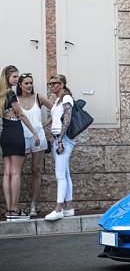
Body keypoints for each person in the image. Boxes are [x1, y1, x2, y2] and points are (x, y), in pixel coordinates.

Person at [1, 65, 41, 221]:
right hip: (15, 130)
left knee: (7, 172)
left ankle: (9, 210)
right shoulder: (10, 93)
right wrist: (35, 133)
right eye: (15, 77)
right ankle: (14, 209)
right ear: (7, 78)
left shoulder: (0, 94)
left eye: (18, 77)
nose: (17, 80)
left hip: (5, 132)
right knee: (15, 172)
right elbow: (22, 115)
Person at [17, 73, 54, 216]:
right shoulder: (15, 99)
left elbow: (56, 110)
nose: (29, 86)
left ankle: (34, 205)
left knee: (36, 170)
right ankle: (17, 205)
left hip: (38, 138)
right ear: (20, 85)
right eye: (26, 83)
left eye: (30, 83)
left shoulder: (38, 98)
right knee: (17, 173)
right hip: (21, 137)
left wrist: (46, 123)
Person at [44, 74, 76, 221]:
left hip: (64, 140)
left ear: (62, 84)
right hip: (59, 138)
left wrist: (61, 140)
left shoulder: (66, 98)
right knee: (66, 173)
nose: (51, 86)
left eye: (55, 83)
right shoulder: (58, 100)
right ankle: (68, 206)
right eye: (50, 84)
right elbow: (55, 118)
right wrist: (41, 126)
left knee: (60, 175)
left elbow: (67, 119)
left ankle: (58, 208)